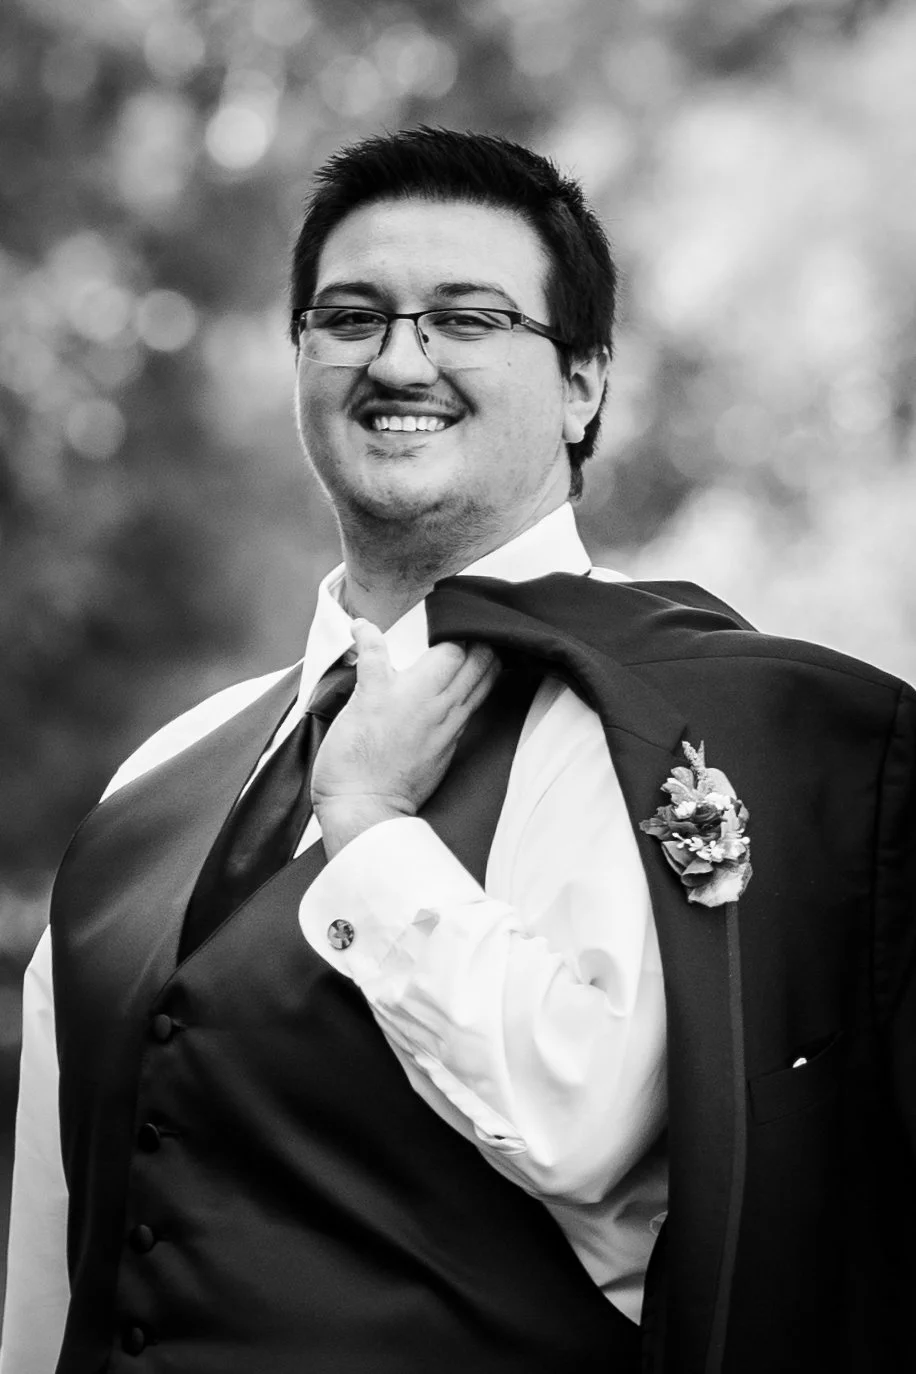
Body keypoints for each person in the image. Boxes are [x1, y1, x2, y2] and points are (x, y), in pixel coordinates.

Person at [2, 127, 914, 1374]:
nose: (398, 359)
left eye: (467, 318)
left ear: (585, 382)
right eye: (348, 316)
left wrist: (372, 833)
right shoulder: (155, 783)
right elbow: (57, 1260)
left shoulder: (686, 741)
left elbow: (599, 1139)